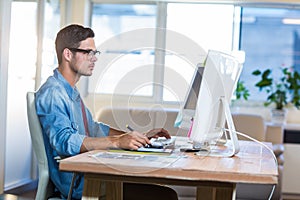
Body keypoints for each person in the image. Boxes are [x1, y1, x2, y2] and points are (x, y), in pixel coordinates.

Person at [35, 24, 178, 200]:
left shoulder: (69, 91)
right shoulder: (53, 93)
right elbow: (65, 141)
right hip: (80, 186)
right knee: (165, 196)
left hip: (89, 177)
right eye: (88, 52)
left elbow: (94, 128)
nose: (94, 58)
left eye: (95, 53)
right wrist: (116, 142)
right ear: (67, 54)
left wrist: (135, 137)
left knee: (161, 191)